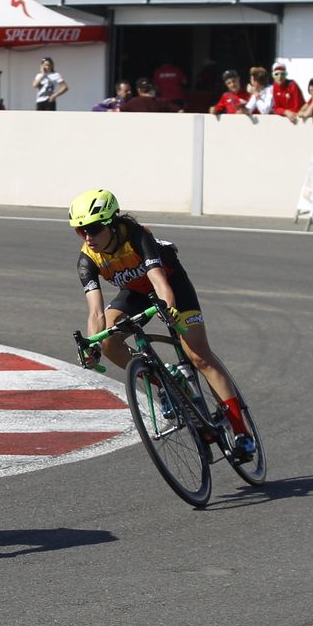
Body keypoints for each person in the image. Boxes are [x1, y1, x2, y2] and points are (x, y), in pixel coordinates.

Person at [68, 188, 255, 461]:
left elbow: (159, 282)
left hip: (172, 286)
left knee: (198, 355)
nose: (88, 237)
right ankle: (165, 381)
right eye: (80, 230)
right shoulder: (87, 259)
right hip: (135, 293)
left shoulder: (137, 235)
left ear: (111, 223)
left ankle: (241, 432)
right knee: (107, 341)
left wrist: (167, 309)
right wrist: (91, 346)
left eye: (94, 229)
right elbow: (95, 312)